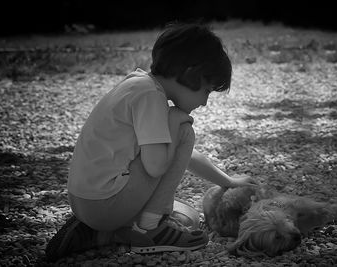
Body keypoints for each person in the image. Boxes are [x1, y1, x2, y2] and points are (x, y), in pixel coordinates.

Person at [45, 21, 256, 261]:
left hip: (87, 201)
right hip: (104, 203)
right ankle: (150, 229)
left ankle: (99, 234)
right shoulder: (150, 97)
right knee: (185, 133)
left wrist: (227, 181)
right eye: (206, 91)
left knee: (188, 217)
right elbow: (156, 167)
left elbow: (183, 155)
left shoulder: (139, 84)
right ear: (190, 73)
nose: (205, 102)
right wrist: (176, 122)